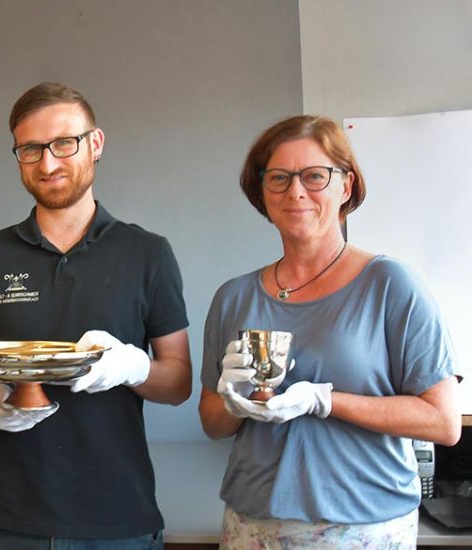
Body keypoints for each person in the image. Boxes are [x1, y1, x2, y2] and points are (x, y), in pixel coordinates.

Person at [0, 82, 192, 549]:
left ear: (95, 144)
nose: (48, 163)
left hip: (120, 520)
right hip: (9, 522)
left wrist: (133, 367)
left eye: (63, 143)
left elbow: (178, 382)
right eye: (30, 149)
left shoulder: (148, 254)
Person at [198, 115, 462, 548]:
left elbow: (443, 422)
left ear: (346, 186)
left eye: (315, 176)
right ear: (261, 192)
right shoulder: (234, 297)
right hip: (252, 525)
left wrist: (324, 400)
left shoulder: (390, 286)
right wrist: (236, 398)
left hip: (364, 527)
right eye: (279, 177)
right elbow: (212, 423)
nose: (296, 191)